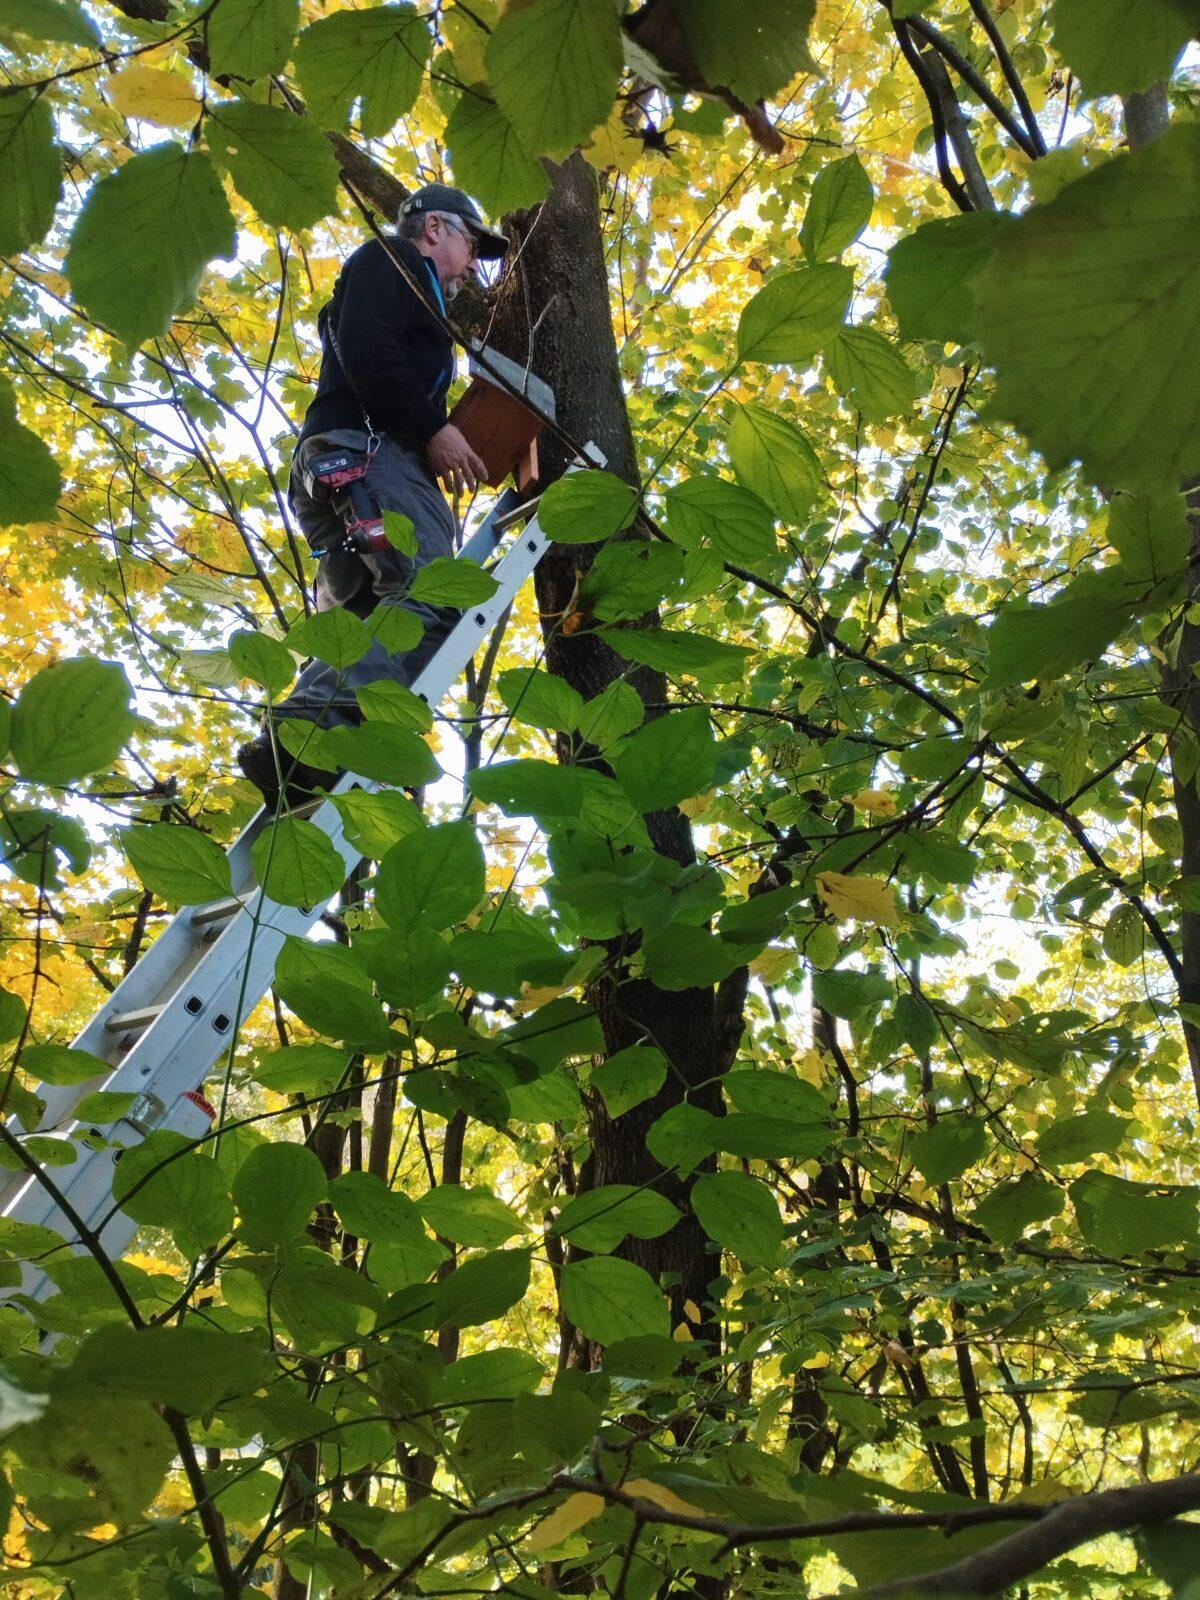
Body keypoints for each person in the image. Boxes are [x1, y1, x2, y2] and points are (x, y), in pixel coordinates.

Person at [237, 183, 509, 808]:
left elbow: (374, 349)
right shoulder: (394, 262)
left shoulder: (403, 287)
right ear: (434, 228)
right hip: (366, 457)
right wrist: (432, 429)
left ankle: (303, 759)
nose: (474, 267)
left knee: (361, 620)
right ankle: (308, 730)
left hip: (339, 474)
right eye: (473, 245)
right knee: (434, 596)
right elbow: (369, 346)